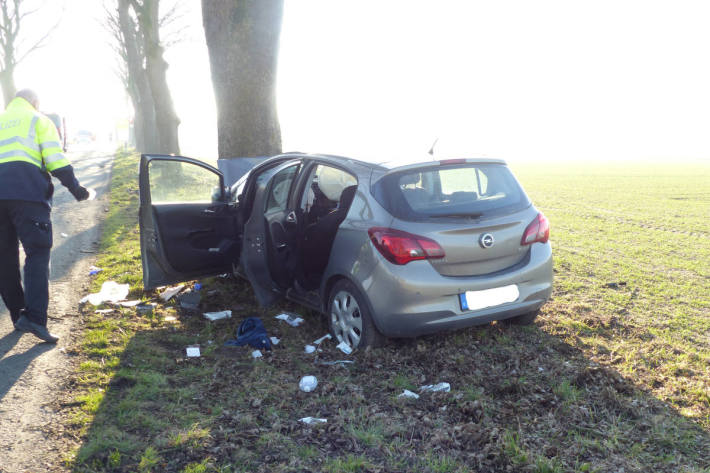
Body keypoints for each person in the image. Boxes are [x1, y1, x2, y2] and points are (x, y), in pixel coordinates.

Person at [0, 89, 89, 343]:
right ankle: (36, 318)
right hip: (27, 196)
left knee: (4, 258)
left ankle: (18, 316)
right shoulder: (38, 120)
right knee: (37, 253)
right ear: (35, 103)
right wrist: (75, 188)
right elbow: (54, 159)